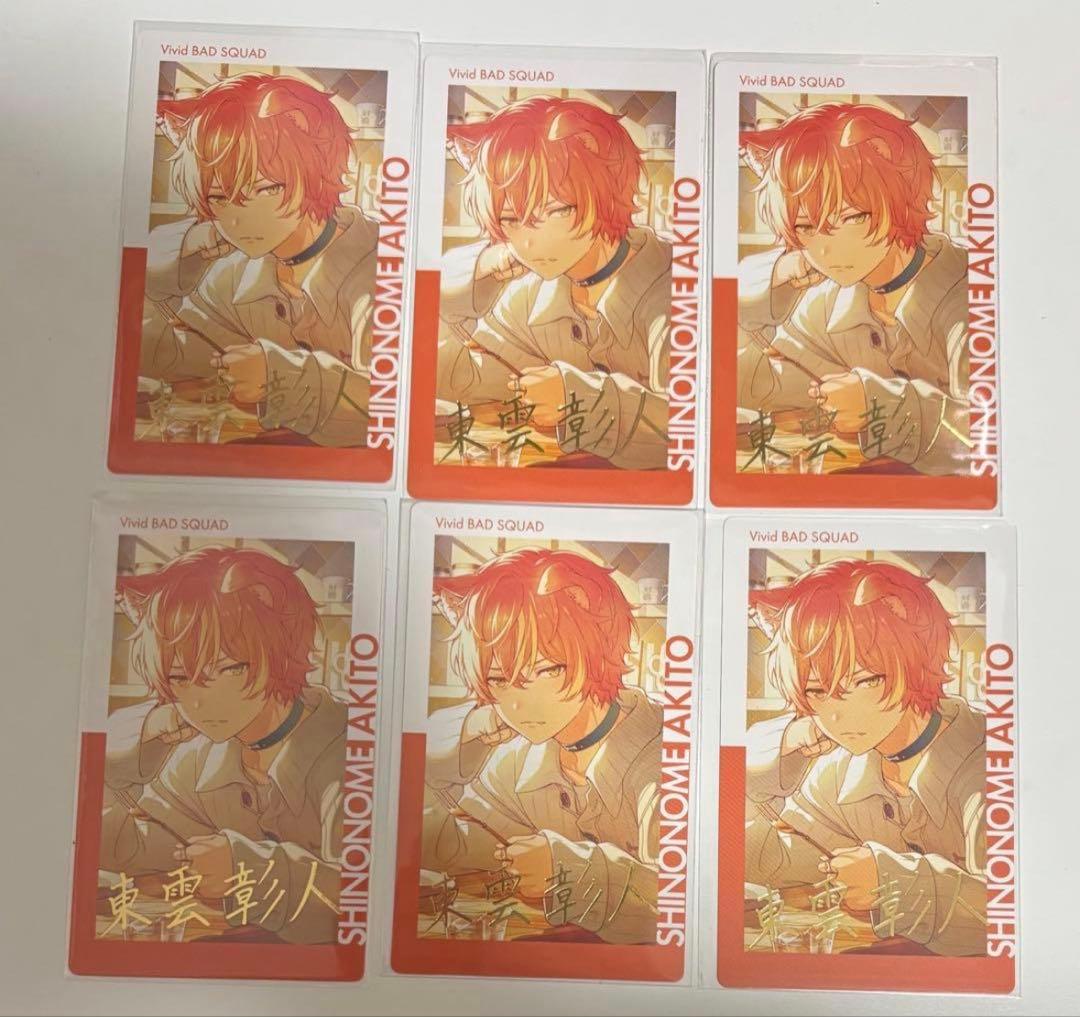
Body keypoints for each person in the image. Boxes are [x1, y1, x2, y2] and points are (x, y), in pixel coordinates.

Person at [101, 546, 346, 944]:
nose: (199, 703)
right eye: (179, 678)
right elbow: (118, 846)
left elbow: (368, 899)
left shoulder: (347, 751)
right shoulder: (200, 759)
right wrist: (136, 745)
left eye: (229, 668)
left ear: (281, 649)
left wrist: (249, 869)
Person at [743, 558, 987, 955]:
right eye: (816, 691)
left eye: (864, 681)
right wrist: (771, 750)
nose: (837, 716)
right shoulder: (841, 772)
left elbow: (1018, 919)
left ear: (915, 657)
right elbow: (768, 858)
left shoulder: (986, 766)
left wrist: (897, 883)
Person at [423, 548, 662, 943]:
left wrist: (569, 868)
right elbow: (442, 842)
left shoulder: (662, 754)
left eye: (547, 670)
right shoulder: (519, 760)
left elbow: (687, 902)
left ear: (597, 647)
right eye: (499, 680)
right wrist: (461, 737)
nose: (518, 705)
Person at [141, 73, 377, 446]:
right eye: (219, 198)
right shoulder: (236, 274)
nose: (238, 219)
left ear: (316, 171)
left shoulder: (377, 267)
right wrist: (170, 260)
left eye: (266, 189)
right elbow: (161, 354)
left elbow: (404, 405)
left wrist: (281, 376)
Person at [437, 96, 672, 469]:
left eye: (555, 211)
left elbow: (693, 431)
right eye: (511, 220)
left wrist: (581, 398)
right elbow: (460, 376)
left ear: (606, 188)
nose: (528, 243)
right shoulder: (531, 296)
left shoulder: (670, 290)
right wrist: (473, 271)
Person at [737, 102, 970, 474]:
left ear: (900, 196)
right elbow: (751, 381)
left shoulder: (967, 298)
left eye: (851, 217)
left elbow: (991, 440)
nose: (825, 250)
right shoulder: (830, 301)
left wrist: (884, 406)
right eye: (805, 227)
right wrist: (773, 274)